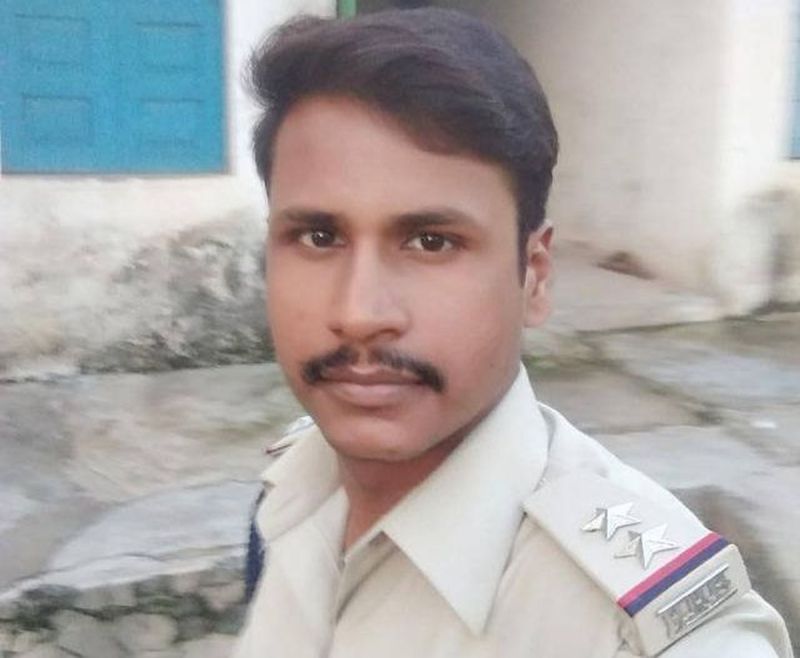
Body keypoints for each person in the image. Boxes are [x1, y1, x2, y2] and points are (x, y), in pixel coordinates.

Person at [234, 8, 793, 657]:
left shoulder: (641, 634)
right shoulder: (290, 491)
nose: (358, 312)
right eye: (318, 237)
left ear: (534, 276)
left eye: (431, 242)